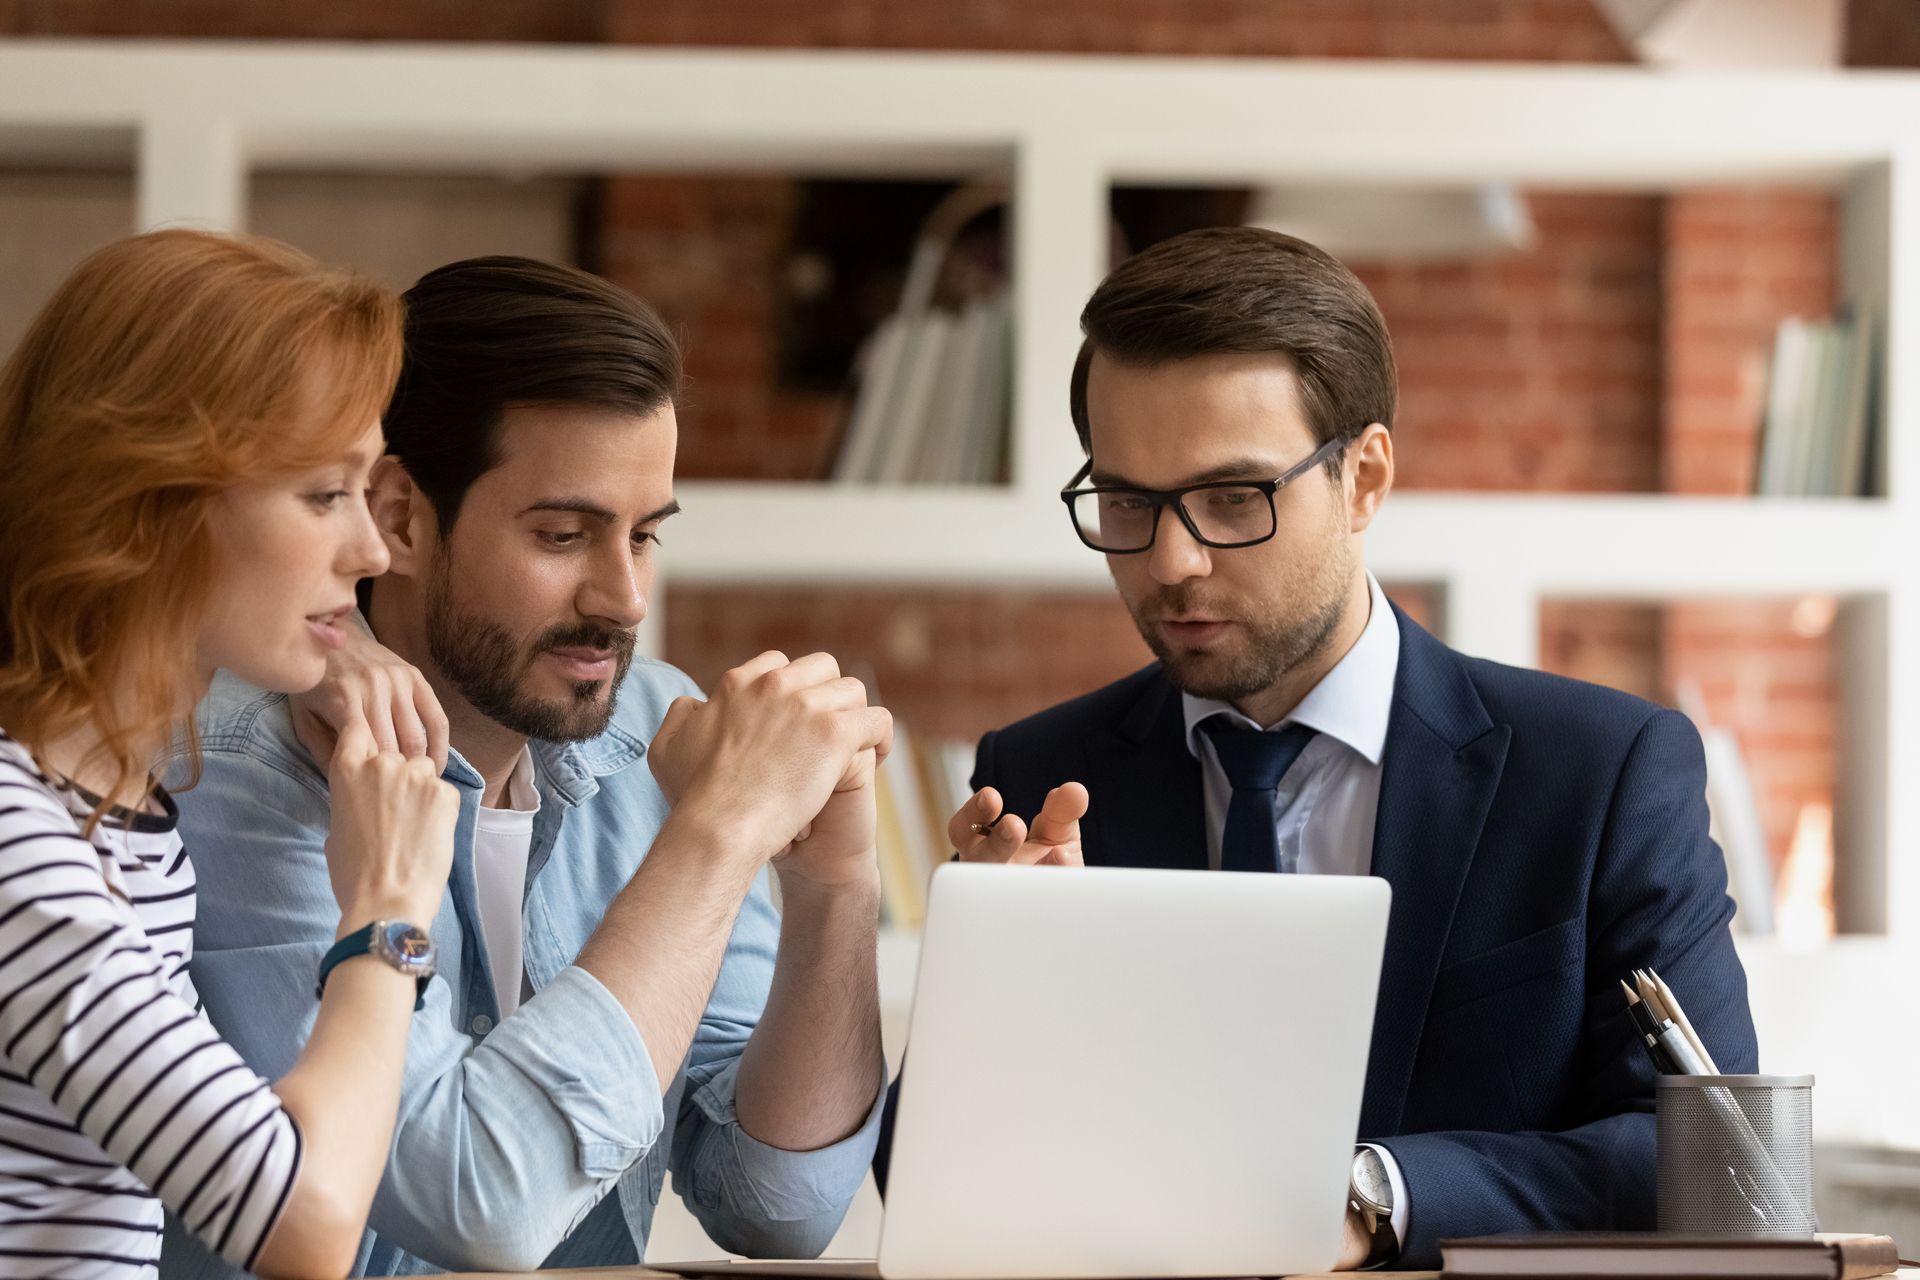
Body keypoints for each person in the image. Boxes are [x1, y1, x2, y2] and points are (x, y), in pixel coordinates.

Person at [903, 226, 1760, 1269]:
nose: (1172, 561)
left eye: (1232, 498)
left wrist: (1373, 1193)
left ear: (1364, 478)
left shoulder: (1600, 771)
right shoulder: (1039, 775)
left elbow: (1715, 1160)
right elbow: (917, 1179)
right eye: (1128, 501)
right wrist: (1003, 991)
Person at [162, 257, 891, 1279]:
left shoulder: (652, 727)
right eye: (564, 533)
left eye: (643, 534)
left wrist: (833, 888)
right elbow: (480, 1204)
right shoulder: (240, 774)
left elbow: (774, 1203)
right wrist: (720, 835)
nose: (626, 596)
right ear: (402, 518)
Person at [0, 229, 458, 1278]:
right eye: (322, 493)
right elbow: (306, 1221)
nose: (374, 548)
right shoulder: (18, 836)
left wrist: (319, 656)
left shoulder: (120, 797)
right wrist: (389, 910)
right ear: (152, 499)